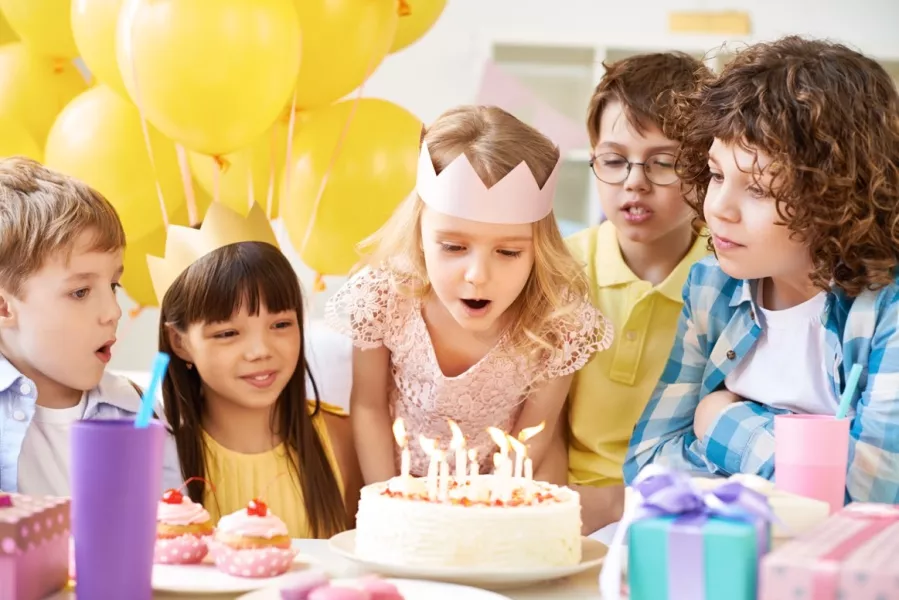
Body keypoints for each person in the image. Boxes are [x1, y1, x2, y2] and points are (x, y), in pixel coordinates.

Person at [624, 36, 899, 504]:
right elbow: (648, 463)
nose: (719, 209)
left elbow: (866, 498)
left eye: (759, 188)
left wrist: (720, 420)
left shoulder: (884, 311)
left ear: (836, 196)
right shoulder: (713, 287)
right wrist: (801, 468)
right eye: (715, 174)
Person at [326, 105, 613, 485]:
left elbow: (535, 434)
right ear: (419, 234)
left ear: (537, 249)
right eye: (453, 247)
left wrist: (483, 511)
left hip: (503, 493)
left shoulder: (558, 322)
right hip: (397, 487)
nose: (478, 276)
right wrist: (385, 499)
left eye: (508, 252)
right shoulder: (383, 297)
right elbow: (368, 407)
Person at [565, 52, 712, 534]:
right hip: (565, 510)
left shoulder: (730, 276)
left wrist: (619, 507)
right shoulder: (560, 269)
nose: (634, 182)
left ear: (705, 166)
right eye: (613, 160)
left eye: (663, 163)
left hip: (684, 515)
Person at [156, 203, 361, 538]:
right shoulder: (160, 454)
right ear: (179, 342)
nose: (261, 351)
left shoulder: (341, 439)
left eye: (280, 324)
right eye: (227, 333)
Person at [0, 156, 180, 495]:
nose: (113, 311)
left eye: (113, 286)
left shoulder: (137, 410)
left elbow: (173, 530)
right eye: (80, 292)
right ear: (4, 306)